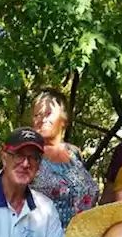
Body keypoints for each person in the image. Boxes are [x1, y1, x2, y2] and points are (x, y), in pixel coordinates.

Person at [30, 88, 100, 227]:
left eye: (48, 114)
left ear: (64, 120)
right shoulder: (29, 154)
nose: (42, 119)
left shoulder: (74, 153)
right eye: (37, 115)